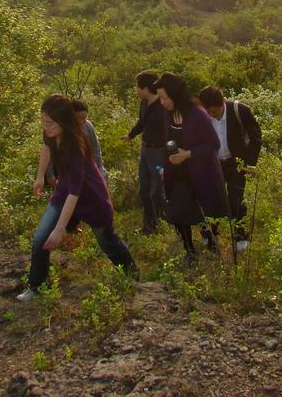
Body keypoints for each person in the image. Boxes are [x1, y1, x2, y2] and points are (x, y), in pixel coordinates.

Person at [21, 94, 136, 301]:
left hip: (91, 197)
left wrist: (59, 230)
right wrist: (40, 176)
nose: (45, 126)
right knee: (41, 238)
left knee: (107, 240)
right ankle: (36, 287)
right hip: (63, 191)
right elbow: (46, 146)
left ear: (63, 121)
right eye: (43, 121)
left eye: (49, 123)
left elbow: (76, 192)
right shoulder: (51, 131)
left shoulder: (75, 146)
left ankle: (131, 273)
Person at [153, 72, 228, 264]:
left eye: (164, 97)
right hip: (177, 174)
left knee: (207, 213)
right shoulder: (167, 113)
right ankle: (189, 251)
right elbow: (165, 140)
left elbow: (213, 144)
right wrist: (164, 166)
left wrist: (188, 154)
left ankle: (212, 246)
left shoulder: (197, 114)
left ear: (175, 94)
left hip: (201, 172)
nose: (162, 102)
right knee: (177, 214)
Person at [197, 87, 262, 252]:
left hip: (236, 164)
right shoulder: (203, 116)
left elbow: (256, 137)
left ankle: (240, 235)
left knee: (236, 200)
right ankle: (210, 234)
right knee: (211, 200)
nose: (210, 115)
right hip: (213, 164)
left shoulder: (240, 110)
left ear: (221, 104)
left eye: (212, 111)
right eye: (207, 111)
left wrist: (251, 164)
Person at [122, 70, 166, 234]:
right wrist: (130, 135)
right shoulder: (144, 103)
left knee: (157, 191)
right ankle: (148, 225)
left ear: (146, 88)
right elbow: (142, 122)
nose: (136, 90)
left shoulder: (163, 106)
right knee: (144, 190)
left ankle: (160, 225)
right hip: (146, 149)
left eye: (138, 87)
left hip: (160, 153)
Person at [72, 99, 107, 180]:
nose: (82, 121)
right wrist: (50, 174)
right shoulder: (63, 128)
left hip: (86, 165)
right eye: (79, 117)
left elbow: (95, 146)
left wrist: (100, 165)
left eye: (85, 117)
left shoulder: (88, 125)